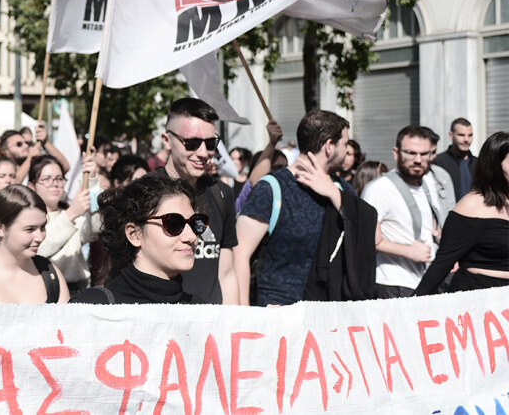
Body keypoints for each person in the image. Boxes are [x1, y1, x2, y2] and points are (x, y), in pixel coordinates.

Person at [234, 109, 377, 306]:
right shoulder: (272, 188)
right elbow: (239, 253)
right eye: (344, 144)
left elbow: (374, 236)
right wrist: (246, 316)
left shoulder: (340, 189)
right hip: (278, 313)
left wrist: (334, 195)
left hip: (326, 316)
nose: (346, 151)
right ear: (329, 146)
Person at [71, 174, 206, 304]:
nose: (191, 236)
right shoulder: (92, 307)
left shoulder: (201, 313)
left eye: (195, 223)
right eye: (174, 224)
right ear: (134, 234)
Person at [153, 97, 238, 304]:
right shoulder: (147, 192)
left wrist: (233, 325)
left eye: (210, 143)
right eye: (191, 143)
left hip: (212, 327)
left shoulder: (222, 194)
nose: (203, 153)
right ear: (167, 140)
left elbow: (227, 274)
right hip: (163, 326)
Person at [415, 131, 509, 295]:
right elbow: (442, 263)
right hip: (480, 299)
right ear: (495, 165)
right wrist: (408, 309)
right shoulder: (472, 204)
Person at [362, 126, 441, 298]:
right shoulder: (379, 188)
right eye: (411, 153)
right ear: (396, 153)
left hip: (425, 282)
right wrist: (408, 251)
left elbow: (429, 223)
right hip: (392, 283)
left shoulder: (428, 183)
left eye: (424, 154)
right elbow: (365, 239)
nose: (418, 160)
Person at [30, 155, 92, 291]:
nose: (55, 183)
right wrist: (71, 213)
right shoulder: (27, 219)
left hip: (78, 291)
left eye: (59, 178)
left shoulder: (73, 213)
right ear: (31, 185)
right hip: (44, 292)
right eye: (46, 179)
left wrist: (92, 180)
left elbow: (95, 231)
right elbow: (39, 250)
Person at [433, 117, 477, 199]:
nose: (466, 139)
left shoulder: (479, 163)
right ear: (451, 135)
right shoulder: (438, 162)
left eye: (470, 135)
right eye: (461, 135)